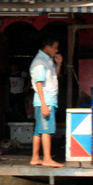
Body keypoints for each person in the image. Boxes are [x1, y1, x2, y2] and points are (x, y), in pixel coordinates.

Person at [28, 35, 64, 167]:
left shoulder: (47, 60)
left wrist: (58, 64)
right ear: (47, 47)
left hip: (48, 99)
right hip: (45, 101)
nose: (56, 50)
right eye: (55, 48)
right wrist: (44, 104)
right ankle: (47, 158)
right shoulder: (39, 63)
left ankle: (35, 157)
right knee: (46, 130)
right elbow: (38, 84)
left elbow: (54, 76)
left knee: (39, 131)